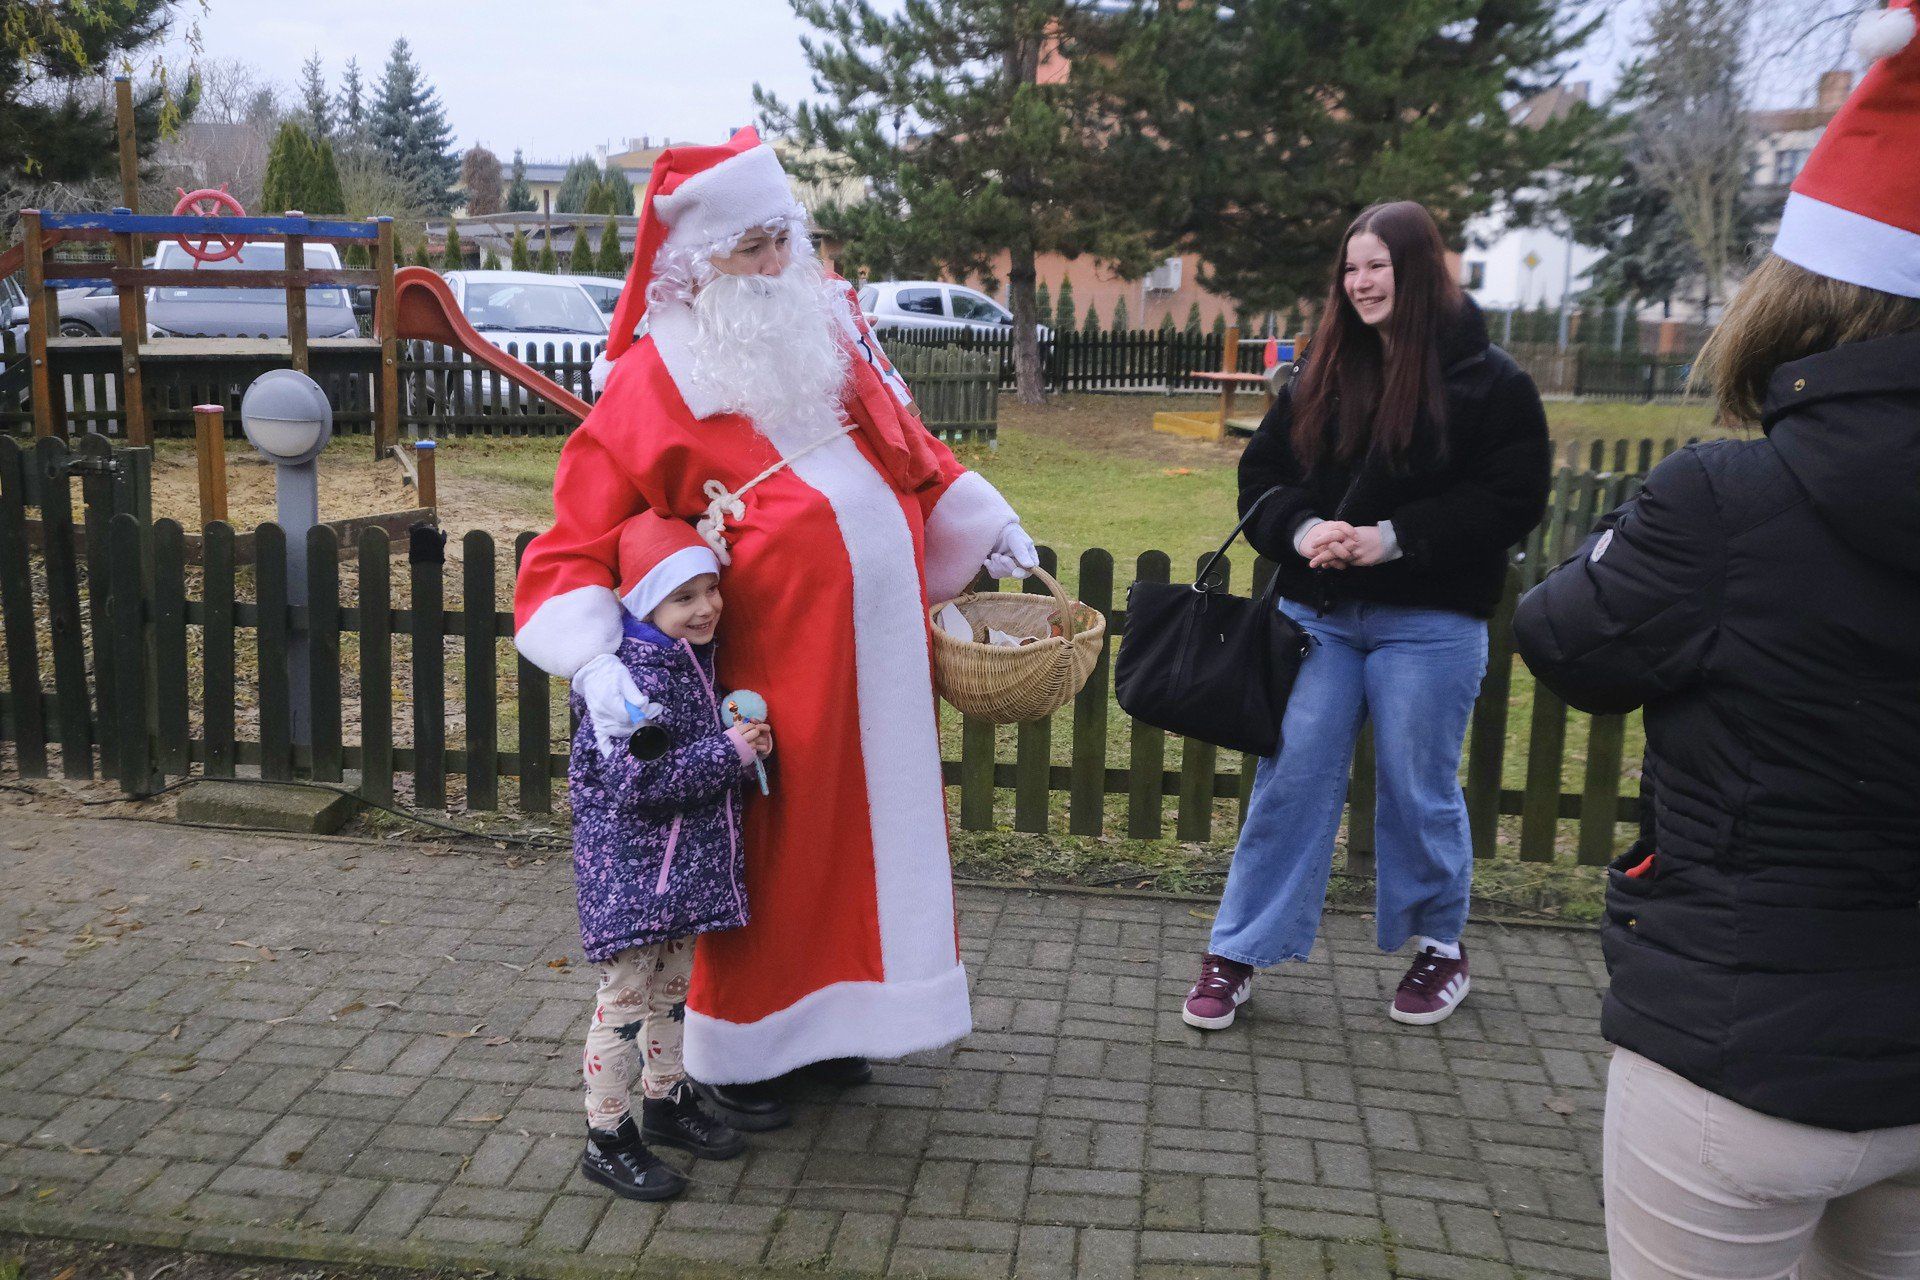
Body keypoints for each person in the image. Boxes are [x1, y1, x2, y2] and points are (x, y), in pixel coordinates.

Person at [514, 129, 1039, 1132]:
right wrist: (591, 659)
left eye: (780, 241)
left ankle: (841, 1024)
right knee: (776, 857)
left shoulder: (827, 331)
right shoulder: (651, 380)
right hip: (760, 679)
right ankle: (744, 1051)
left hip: (874, 665)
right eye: (749, 247)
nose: (772, 265)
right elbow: (576, 537)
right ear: (694, 263)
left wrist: (982, 516)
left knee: (863, 844)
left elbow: (906, 445)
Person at [1512, 12, 1920, 1274]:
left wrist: (1622, 543)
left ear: (1804, 293)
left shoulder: (1723, 502)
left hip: (1740, 1057)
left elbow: (1564, 637)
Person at [1182, 200, 1549, 1033]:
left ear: (1416, 270)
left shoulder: (1491, 382)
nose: (1361, 282)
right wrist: (1304, 530)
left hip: (1430, 622)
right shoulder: (1322, 369)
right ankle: (1237, 950)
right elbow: (1264, 477)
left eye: (1377, 265)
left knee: (1419, 787)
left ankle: (1440, 948)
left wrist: (1392, 539)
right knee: (1291, 778)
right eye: (1350, 268)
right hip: (1321, 616)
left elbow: (1512, 498)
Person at [571, 512, 769, 1201]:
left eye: (710, 589)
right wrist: (729, 753)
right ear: (644, 605)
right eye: (684, 597)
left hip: (680, 875)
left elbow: (698, 759)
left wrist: (742, 750)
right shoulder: (626, 683)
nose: (706, 607)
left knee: (672, 995)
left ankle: (666, 1100)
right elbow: (641, 782)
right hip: (636, 878)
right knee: (623, 1006)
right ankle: (606, 1137)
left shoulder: (687, 659)